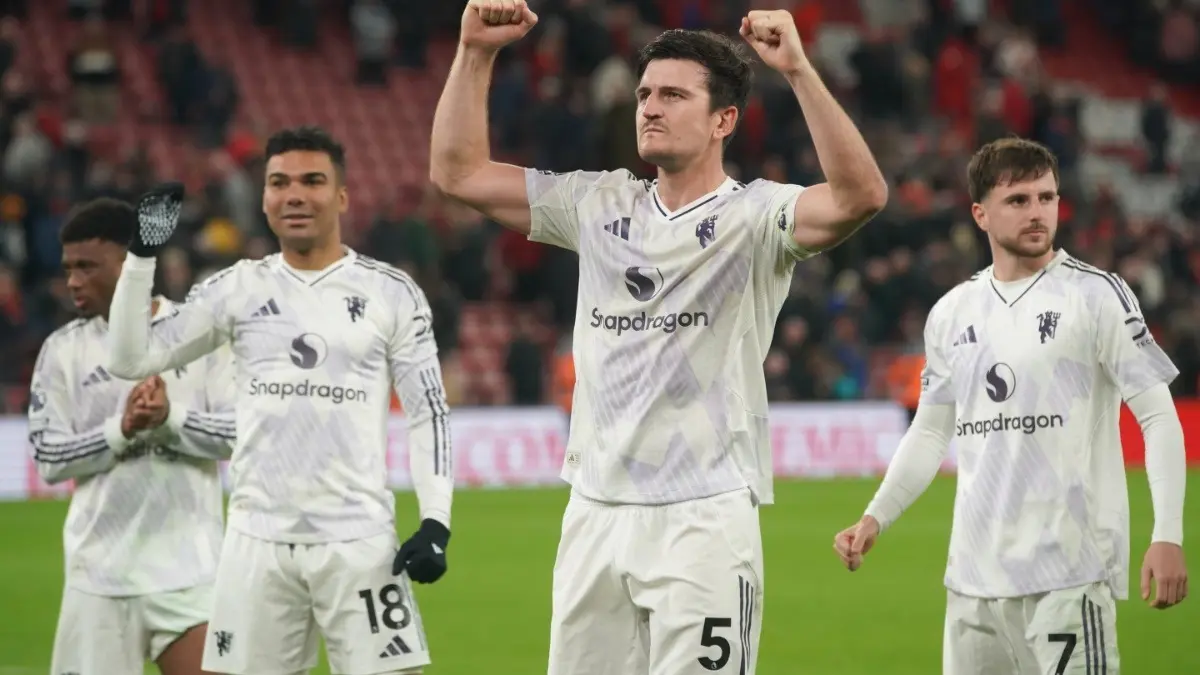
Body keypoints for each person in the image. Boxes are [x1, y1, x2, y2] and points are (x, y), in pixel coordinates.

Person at [430, 3, 887, 673]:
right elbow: (458, 173)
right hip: (595, 512)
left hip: (702, 519)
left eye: (673, 94)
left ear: (723, 119)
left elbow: (860, 196)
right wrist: (474, 54)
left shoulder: (756, 216)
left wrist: (797, 70)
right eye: (645, 92)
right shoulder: (598, 203)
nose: (650, 106)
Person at [105, 127, 454, 675]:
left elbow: (427, 411)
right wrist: (141, 258)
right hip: (256, 543)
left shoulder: (390, 292)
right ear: (265, 198)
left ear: (341, 196)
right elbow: (130, 359)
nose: (294, 194)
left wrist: (435, 521)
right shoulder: (235, 288)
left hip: (358, 544)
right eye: (279, 182)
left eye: (313, 181)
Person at [834, 138, 1189, 673]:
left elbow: (1159, 417)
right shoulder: (952, 312)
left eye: (1047, 197)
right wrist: (875, 516)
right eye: (1018, 200)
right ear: (980, 214)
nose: (1038, 212)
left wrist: (1167, 535)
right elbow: (931, 433)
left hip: (1069, 576)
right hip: (973, 584)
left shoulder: (1096, 296)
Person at [29, 197, 236, 675]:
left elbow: (239, 432)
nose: (74, 280)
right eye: (68, 268)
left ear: (131, 261)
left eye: (88, 266)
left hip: (192, 573)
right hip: (99, 578)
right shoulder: (62, 351)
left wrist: (170, 418)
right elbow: (48, 456)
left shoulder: (199, 334)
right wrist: (119, 430)